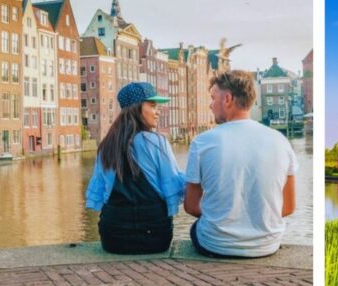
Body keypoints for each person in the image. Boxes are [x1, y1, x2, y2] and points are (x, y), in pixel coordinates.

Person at [184, 70, 297, 258]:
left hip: (215, 243)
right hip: (267, 244)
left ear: (227, 99)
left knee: (197, 228)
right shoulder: (280, 141)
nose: (210, 105)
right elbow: (288, 207)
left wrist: (224, 218)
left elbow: (191, 206)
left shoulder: (202, 142)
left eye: (213, 98)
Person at [85, 81, 186, 254]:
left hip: (113, 238)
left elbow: (101, 196)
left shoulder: (106, 146)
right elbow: (173, 187)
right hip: (155, 237)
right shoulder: (157, 143)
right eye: (153, 105)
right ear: (137, 108)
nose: (158, 111)